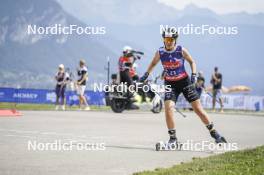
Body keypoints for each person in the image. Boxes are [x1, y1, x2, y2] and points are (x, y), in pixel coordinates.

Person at [140, 28, 226, 145]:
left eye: (171, 39)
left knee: (198, 110)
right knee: (168, 108)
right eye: (166, 39)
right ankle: (173, 139)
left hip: (184, 82)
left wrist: (194, 74)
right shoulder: (160, 52)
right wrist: (146, 74)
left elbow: (192, 62)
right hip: (170, 84)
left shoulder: (181, 50)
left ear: (175, 40)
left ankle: (214, 133)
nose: (168, 41)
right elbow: (153, 63)